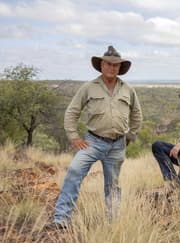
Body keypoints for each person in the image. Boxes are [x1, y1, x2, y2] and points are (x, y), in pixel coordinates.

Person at [48, 46, 142, 228]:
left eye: (116, 65)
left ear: (120, 68)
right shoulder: (88, 87)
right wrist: (74, 136)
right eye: (108, 64)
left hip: (117, 145)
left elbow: (137, 114)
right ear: (101, 65)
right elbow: (72, 111)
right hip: (92, 142)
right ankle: (61, 219)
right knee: (74, 171)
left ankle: (112, 223)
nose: (112, 67)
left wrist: (130, 135)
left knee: (113, 185)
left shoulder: (128, 89)